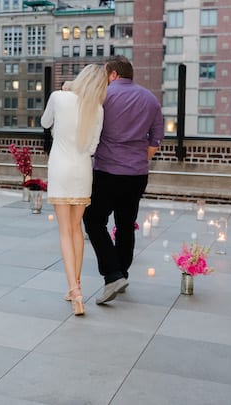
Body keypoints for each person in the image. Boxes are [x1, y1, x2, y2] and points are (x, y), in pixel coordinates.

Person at [83, 55, 164, 304]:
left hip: (107, 171)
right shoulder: (151, 99)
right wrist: (136, 157)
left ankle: (113, 274)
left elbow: (90, 131)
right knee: (126, 225)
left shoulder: (104, 97)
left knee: (94, 220)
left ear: (113, 74)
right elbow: (155, 142)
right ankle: (122, 273)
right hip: (137, 174)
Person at [41, 64, 107, 316]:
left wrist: (63, 91)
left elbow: (45, 122)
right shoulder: (97, 109)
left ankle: (75, 291)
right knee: (77, 228)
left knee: (64, 231)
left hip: (60, 168)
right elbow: (92, 147)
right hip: (82, 171)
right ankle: (75, 287)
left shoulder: (59, 97)